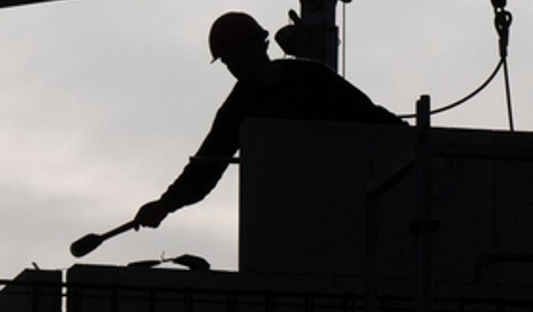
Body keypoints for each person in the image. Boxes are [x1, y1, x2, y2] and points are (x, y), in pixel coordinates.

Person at [135, 12, 401, 228]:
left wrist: (418, 143)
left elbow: (370, 117)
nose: (235, 67)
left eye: (237, 57)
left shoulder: (312, 79)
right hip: (286, 209)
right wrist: (166, 204)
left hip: (341, 194)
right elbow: (207, 165)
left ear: (259, 46)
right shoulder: (239, 107)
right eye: (229, 62)